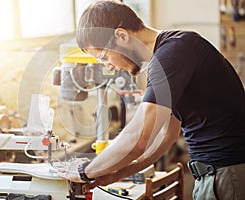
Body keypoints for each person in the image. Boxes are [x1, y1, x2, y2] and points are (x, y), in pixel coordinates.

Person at [58, 0, 245, 199]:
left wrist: (84, 172)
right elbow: (167, 134)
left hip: (226, 175)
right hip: (219, 173)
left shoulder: (173, 53)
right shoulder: (174, 50)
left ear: (121, 36)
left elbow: (138, 137)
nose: (108, 66)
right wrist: (117, 172)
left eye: (104, 57)